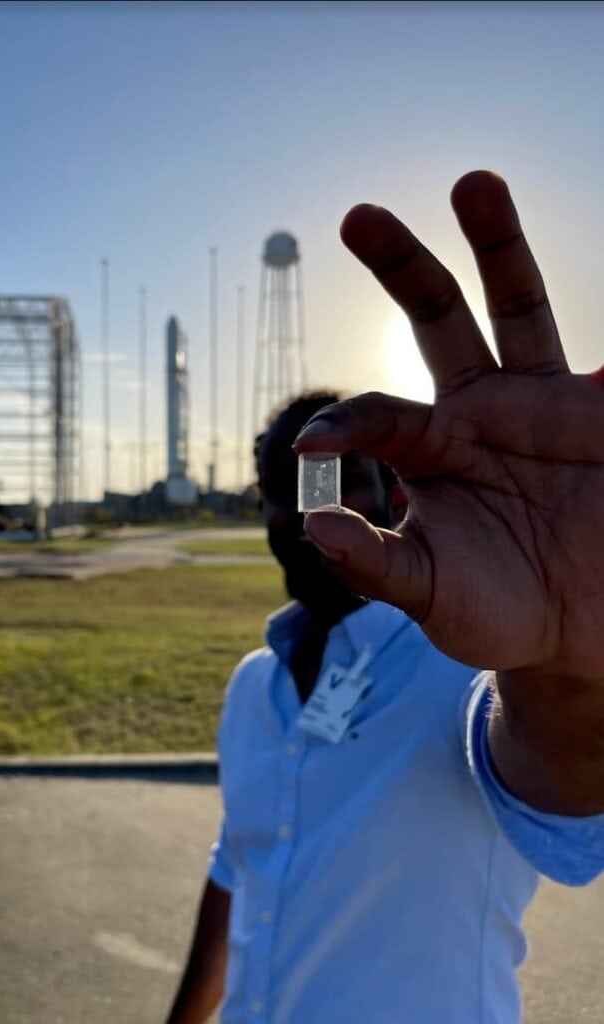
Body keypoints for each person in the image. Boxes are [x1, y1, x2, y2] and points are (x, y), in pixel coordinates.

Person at [164, 171, 604, 1024]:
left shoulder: (468, 669)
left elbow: (564, 791)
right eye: (285, 483)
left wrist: (560, 665)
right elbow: (238, 865)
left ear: (397, 499)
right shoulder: (254, 685)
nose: (311, 508)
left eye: (338, 478)